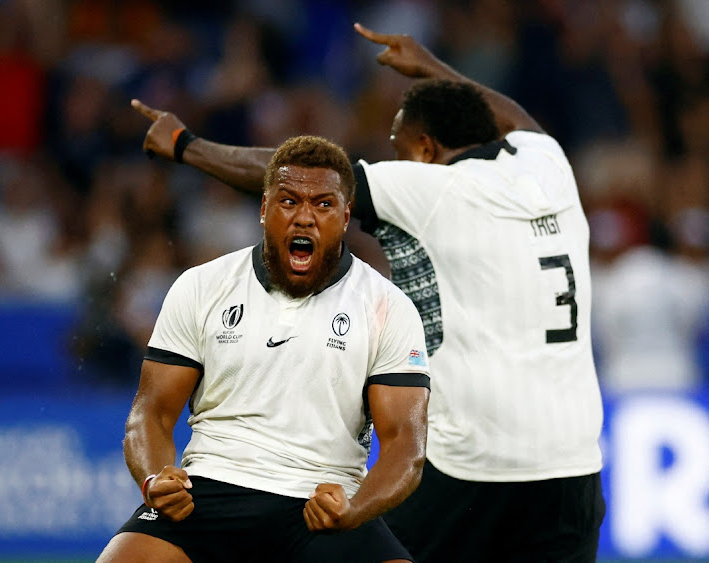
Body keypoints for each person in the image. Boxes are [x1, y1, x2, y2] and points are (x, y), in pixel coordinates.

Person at [131, 22, 606, 562]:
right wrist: (433, 67)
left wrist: (185, 145)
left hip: (474, 462)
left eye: (399, 147)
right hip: (573, 463)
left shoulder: (431, 187)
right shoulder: (550, 168)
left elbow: (299, 177)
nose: (396, 159)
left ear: (425, 149)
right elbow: (516, 120)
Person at [96, 135, 431, 563]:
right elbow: (151, 414)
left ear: (346, 216)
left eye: (323, 204)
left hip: (322, 504)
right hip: (208, 491)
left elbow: (406, 445)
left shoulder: (388, 306)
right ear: (263, 210)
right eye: (289, 201)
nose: (305, 218)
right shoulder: (202, 286)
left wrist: (355, 509)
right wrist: (155, 481)